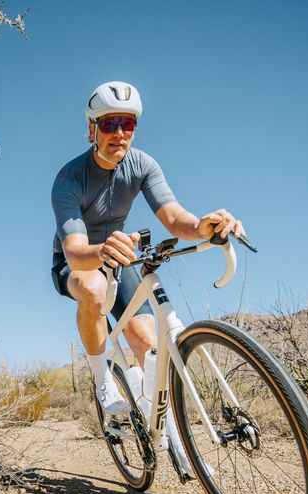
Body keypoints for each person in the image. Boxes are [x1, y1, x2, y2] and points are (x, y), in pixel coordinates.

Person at [51, 80, 246, 420]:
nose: (120, 133)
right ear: (92, 129)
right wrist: (101, 252)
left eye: (128, 124)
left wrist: (204, 226)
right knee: (94, 288)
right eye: (110, 124)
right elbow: (75, 251)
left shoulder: (143, 164)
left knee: (147, 341)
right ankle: (102, 381)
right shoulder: (69, 179)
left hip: (120, 255)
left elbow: (174, 218)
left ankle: (172, 438)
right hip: (78, 262)